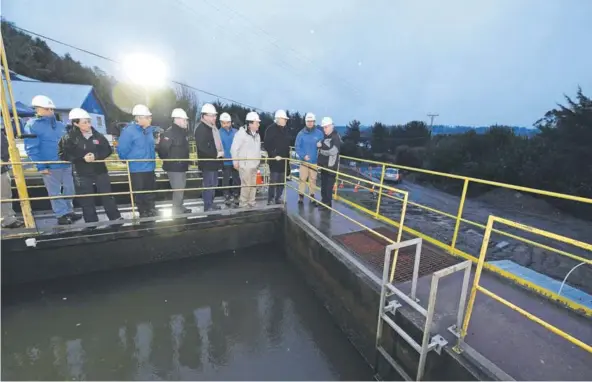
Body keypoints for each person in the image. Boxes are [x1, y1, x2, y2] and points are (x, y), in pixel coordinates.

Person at [58, 108, 122, 226]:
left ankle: (115, 218)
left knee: (107, 195)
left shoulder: (98, 135)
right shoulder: (68, 138)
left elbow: (107, 150)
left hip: (99, 170)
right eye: (84, 122)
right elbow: (63, 154)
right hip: (81, 172)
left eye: (88, 121)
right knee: (86, 199)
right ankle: (91, 222)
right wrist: (82, 158)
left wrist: (96, 156)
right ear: (75, 123)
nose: (88, 124)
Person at [23, 95, 81, 225]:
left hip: (65, 163)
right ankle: (61, 214)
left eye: (51, 109)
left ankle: (69, 210)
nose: (51, 111)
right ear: (38, 109)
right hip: (49, 165)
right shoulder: (32, 125)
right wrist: (41, 166)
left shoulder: (60, 125)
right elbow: (32, 148)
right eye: (47, 109)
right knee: (54, 192)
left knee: (69, 188)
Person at [117, 104, 158, 218]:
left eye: (150, 117)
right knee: (139, 192)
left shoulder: (149, 131)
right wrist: (126, 160)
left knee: (150, 190)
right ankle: (143, 210)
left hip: (149, 167)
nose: (150, 119)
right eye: (147, 117)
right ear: (139, 118)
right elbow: (122, 149)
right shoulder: (129, 131)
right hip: (137, 168)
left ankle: (151, 208)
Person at [157, 108, 191, 214]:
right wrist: (169, 161)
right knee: (178, 189)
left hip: (181, 166)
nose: (186, 122)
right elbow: (162, 149)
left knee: (180, 189)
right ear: (178, 119)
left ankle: (179, 206)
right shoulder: (170, 133)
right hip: (174, 167)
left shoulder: (181, 133)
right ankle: (176, 210)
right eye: (185, 120)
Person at [195, 103, 224, 211]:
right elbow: (202, 147)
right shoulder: (201, 129)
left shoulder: (211, 128)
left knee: (213, 184)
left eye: (215, 115)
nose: (215, 118)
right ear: (205, 116)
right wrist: (216, 154)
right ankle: (208, 205)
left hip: (213, 163)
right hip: (207, 163)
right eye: (212, 115)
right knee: (208, 184)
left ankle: (211, 203)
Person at [231, 112, 262, 208]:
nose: (258, 125)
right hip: (245, 165)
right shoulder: (241, 134)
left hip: (254, 165)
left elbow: (258, 149)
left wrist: (259, 160)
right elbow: (234, 148)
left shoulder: (257, 135)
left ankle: (251, 202)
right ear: (250, 124)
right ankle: (243, 203)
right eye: (257, 123)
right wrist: (235, 162)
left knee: (253, 185)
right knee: (246, 185)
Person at [295, 112, 323, 205]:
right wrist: (303, 156)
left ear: (314, 122)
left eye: (311, 121)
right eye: (308, 121)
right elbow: (297, 147)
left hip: (314, 161)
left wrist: (321, 145)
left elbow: (324, 144)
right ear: (305, 122)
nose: (310, 123)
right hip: (304, 161)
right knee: (302, 179)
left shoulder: (319, 133)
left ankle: (312, 196)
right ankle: (301, 196)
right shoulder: (301, 134)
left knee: (313, 179)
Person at [264, 110, 291, 205]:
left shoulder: (286, 130)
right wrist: (274, 155)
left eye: (286, 119)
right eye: (284, 119)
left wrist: (288, 163)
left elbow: (287, 146)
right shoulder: (270, 129)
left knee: (281, 182)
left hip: (284, 161)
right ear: (278, 119)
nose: (285, 121)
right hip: (274, 161)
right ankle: (270, 199)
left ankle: (278, 197)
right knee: (273, 181)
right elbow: (267, 144)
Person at [1, 130, 24, 228]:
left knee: (5, 195)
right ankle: (7, 220)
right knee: (4, 196)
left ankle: (8, 219)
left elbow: (5, 146)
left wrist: (4, 159)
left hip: (2, 170)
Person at [317, 117, 341, 210]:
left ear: (331, 126)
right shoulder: (327, 137)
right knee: (323, 185)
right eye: (323, 127)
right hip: (324, 166)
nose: (324, 129)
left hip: (331, 167)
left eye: (326, 127)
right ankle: (324, 201)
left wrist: (322, 150)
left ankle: (327, 204)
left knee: (328, 186)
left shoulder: (335, 137)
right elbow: (323, 144)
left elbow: (334, 150)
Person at [219, 112, 240, 207]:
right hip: (225, 161)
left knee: (236, 179)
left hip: (235, 160)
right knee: (226, 180)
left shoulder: (236, 132)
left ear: (231, 122)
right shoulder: (218, 133)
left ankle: (236, 195)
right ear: (221, 123)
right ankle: (226, 196)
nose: (226, 125)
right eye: (224, 123)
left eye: (227, 122)